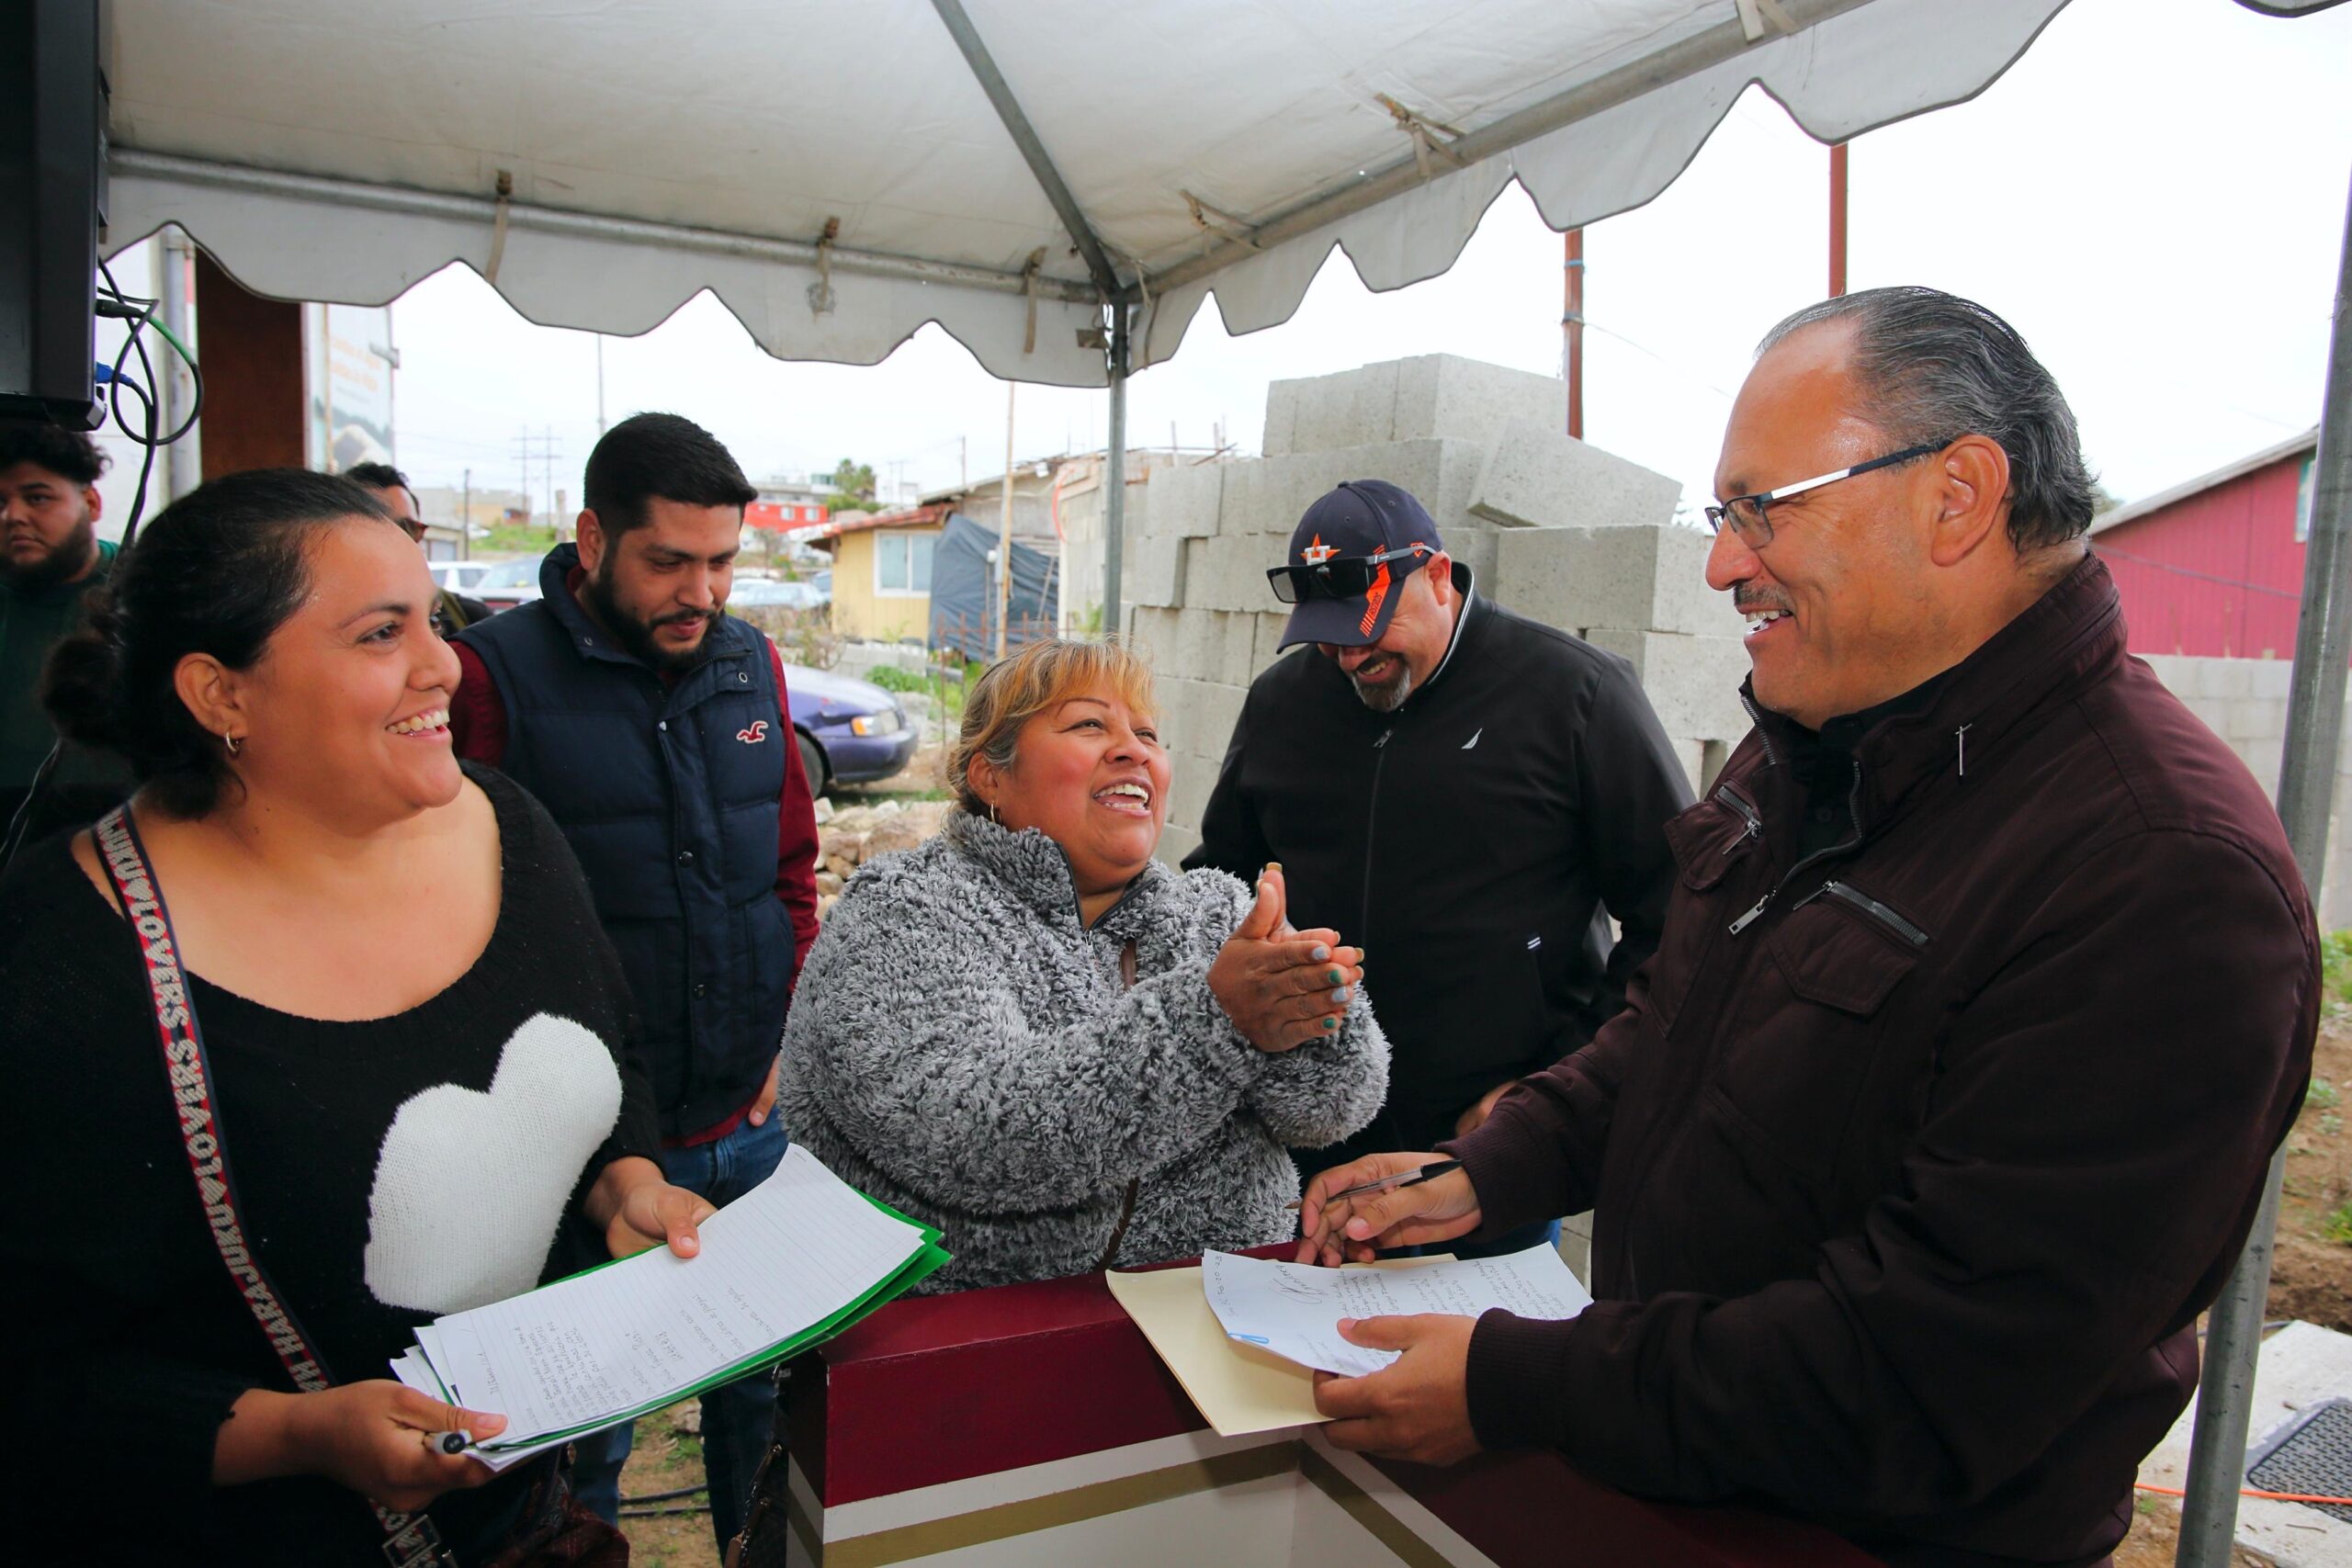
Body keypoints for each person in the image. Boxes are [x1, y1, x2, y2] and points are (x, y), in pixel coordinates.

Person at [1294, 288, 2319, 1568]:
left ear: (1957, 494)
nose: (1724, 562)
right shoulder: (1819, 745)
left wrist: (1524, 1384)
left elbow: (1930, 1370)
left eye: (1761, 507)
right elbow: (1676, 1028)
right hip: (1671, 1488)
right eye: (1722, 514)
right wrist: (1491, 1168)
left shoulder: (2158, 873)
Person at [0, 468, 717, 1566]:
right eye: (383, 634)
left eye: (434, 620)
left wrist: (623, 1183)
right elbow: (39, 1378)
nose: (445, 665)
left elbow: (601, 1058)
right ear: (219, 695)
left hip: (528, 1526)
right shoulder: (62, 958)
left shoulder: (506, 824)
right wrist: (292, 1435)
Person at [449, 411, 820, 1548]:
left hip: (746, 1117)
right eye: (669, 561)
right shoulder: (489, 674)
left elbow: (792, 871)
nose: (700, 591)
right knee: (586, 1430)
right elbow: (460, 912)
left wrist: (788, 1036)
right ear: (593, 539)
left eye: (721, 562)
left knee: (762, 1401)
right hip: (581, 1143)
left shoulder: (749, 661)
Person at [782, 637, 1389, 1292]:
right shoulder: (904, 912)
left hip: (1216, 1321)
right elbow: (978, 1132)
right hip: (977, 1348)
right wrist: (1218, 1020)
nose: (1135, 750)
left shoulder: (1215, 911)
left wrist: (1316, 1004)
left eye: (1148, 733)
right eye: (1089, 724)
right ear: (991, 775)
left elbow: (1333, 1108)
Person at [1187, 479, 1690, 1257]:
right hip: (1307, 1135)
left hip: (1484, 1147)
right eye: (1325, 635)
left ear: (1438, 575)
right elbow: (1216, 883)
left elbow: (1680, 913)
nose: (1350, 656)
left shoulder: (1576, 693)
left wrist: (1552, 1090)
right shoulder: (1283, 702)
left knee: (1472, 1369)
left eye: (1366, 627)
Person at [0, 423, 133, 846]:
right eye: (0, 502)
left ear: (91, 503)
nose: (13, 516)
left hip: (121, 822)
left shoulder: (144, 593)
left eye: (37, 497)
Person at [344, 460, 492, 637]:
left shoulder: (470, 619)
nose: (399, 542)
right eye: (373, 530)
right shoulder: (325, 623)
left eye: (408, 528)